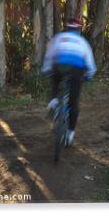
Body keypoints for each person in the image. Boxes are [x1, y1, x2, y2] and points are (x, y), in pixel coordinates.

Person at [41, 18, 96, 147]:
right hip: (76, 71)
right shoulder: (83, 42)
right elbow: (90, 65)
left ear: (67, 28)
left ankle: (54, 100)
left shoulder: (59, 38)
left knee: (55, 78)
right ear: (78, 29)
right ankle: (70, 134)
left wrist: (46, 69)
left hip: (59, 67)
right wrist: (89, 75)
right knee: (74, 102)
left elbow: (49, 56)